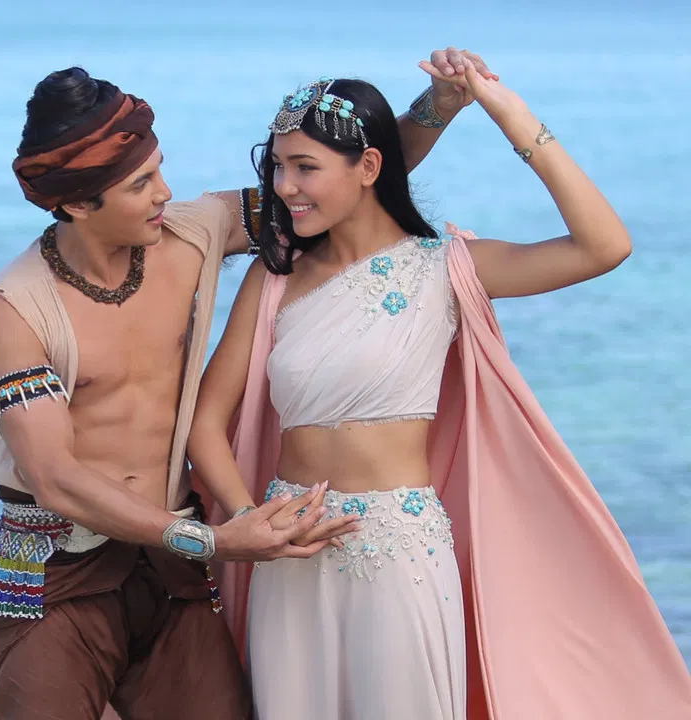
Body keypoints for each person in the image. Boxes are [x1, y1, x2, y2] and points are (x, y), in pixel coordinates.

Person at [0, 49, 488, 720]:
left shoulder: (192, 232)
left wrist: (436, 108)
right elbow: (55, 478)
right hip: (59, 570)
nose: (163, 194)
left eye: (159, 170)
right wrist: (213, 541)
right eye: (140, 184)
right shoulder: (10, 311)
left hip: (172, 567)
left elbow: (338, 183)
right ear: (75, 203)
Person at [187, 60, 691, 719]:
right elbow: (207, 421)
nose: (285, 187)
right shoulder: (274, 278)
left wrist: (507, 113)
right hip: (288, 554)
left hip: (402, 555)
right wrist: (249, 520)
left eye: (305, 167)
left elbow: (604, 246)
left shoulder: (446, 269)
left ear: (369, 167)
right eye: (278, 166)